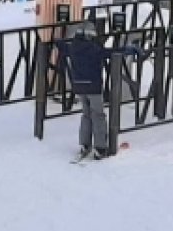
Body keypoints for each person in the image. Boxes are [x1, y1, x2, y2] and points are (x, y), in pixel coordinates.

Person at [55, 24, 141, 160]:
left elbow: (61, 45)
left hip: (78, 86)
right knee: (98, 115)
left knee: (86, 114)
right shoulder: (94, 49)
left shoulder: (72, 47)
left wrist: (57, 40)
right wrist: (128, 50)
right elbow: (112, 52)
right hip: (93, 87)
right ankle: (100, 147)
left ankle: (85, 144)